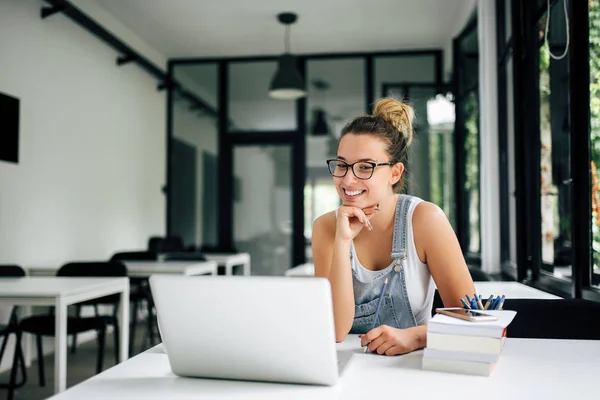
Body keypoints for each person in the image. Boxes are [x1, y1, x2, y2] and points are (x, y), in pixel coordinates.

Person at [312, 97, 475, 356]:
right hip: (350, 372)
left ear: (395, 173)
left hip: (414, 368)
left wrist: (417, 337)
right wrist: (342, 242)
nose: (348, 178)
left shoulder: (425, 220)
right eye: (342, 165)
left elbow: (471, 319)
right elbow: (334, 330)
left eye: (365, 167)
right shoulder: (325, 227)